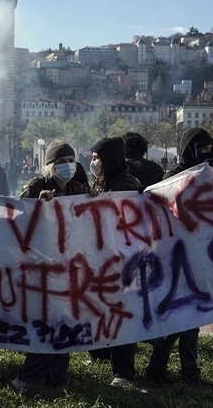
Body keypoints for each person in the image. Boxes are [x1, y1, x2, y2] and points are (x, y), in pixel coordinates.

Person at [10, 140, 90, 395]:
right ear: (49, 166)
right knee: (46, 321)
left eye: (71, 161)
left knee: (64, 319)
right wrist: (37, 202)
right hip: (42, 266)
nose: (68, 166)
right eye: (61, 161)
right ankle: (29, 376)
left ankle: (56, 376)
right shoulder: (37, 185)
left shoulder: (78, 187)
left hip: (70, 266)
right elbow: (18, 215)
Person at [144, 127, 213, 386]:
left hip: (197, 256)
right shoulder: (172, 178)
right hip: (174, 259)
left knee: (192, 318)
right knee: (179, 318)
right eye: (202, 149)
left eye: (210, 149)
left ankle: (185, 370)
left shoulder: (208, 176)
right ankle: (162, 368)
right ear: (190, 150)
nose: (207, 153)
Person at [88, 136, 143, 388]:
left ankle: (124, 372)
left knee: (121, 314)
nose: (93, 162)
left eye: (97, 157)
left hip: (122, 261)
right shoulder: (104, 182)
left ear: (108, 159)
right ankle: (100, 353)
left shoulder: (126, 185)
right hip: (104, 258)